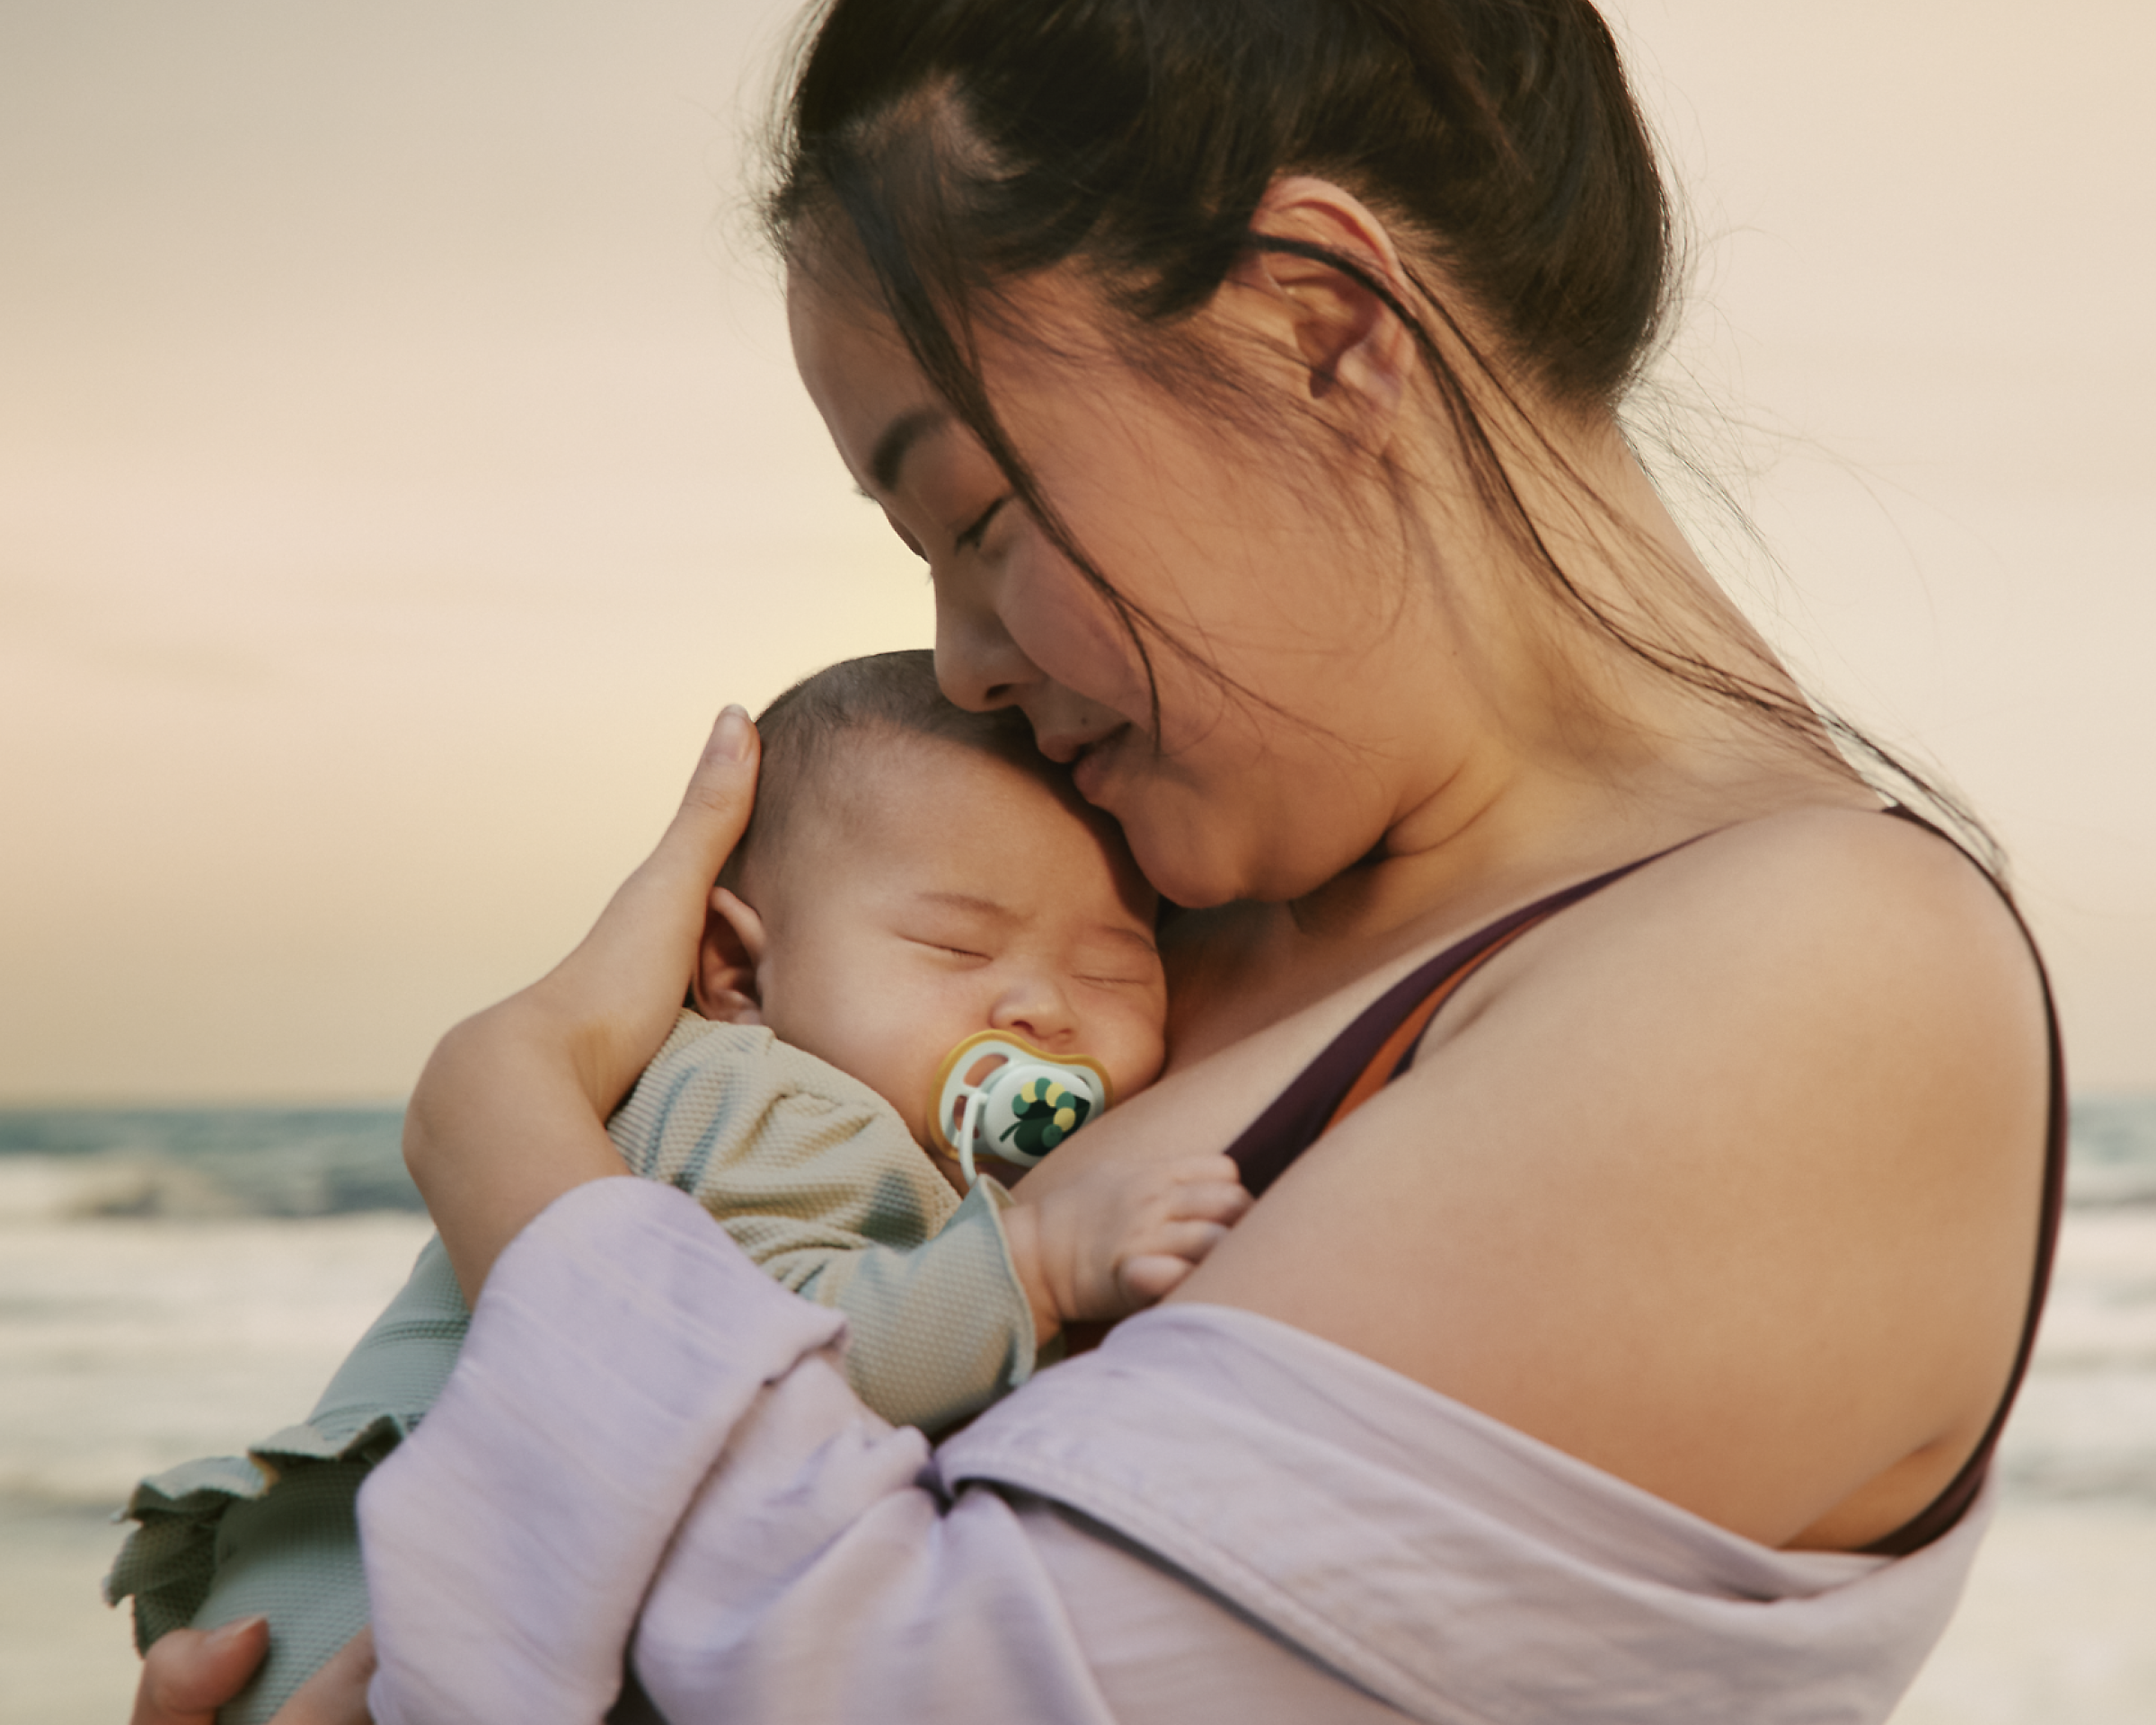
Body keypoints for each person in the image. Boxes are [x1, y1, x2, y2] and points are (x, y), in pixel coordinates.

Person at [133, 0, 2065, 1720]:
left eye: (977, 514)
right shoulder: (1136, 904)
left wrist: (506, 1130)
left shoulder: (1815, 988)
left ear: (1321, 328)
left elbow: (903, 1675)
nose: (964, 660)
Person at [111, 651, 1241, 1725]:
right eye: (955, 950)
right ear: (740, 973)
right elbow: (769, 1353)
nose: (1042, 1009)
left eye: (1112, 970)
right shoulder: (781, 1100)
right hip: (376, 1611)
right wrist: (1034, 1267)